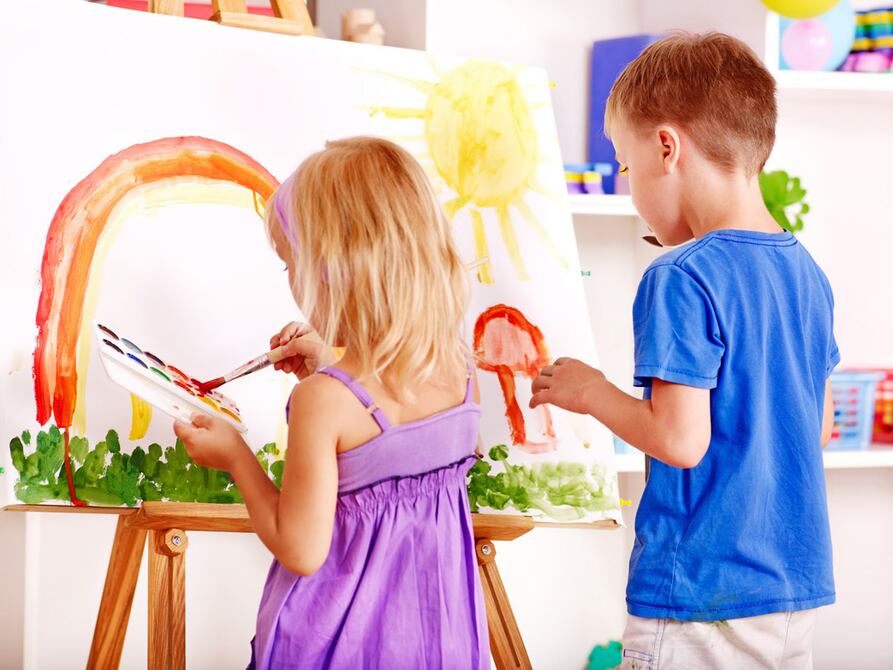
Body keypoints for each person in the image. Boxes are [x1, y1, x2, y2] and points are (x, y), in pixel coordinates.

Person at [530, 33, 838, 669]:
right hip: (791, 592)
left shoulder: (681, 275)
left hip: (698, 592)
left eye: (625, 165)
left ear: (666, 148)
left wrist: (591, 393)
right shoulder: (805, 271)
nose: (628, 186)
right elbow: (821, 426)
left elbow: (679, 440)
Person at [174, 136, 488, 669]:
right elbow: (399, 443)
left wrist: (236, 457)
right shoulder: (461, 371)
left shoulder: (323, 403)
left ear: (329, 271)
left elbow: (300, 548)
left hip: (334, 648)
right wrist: (333, 362)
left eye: (289, 266)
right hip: (440, 644)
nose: (290, 282)